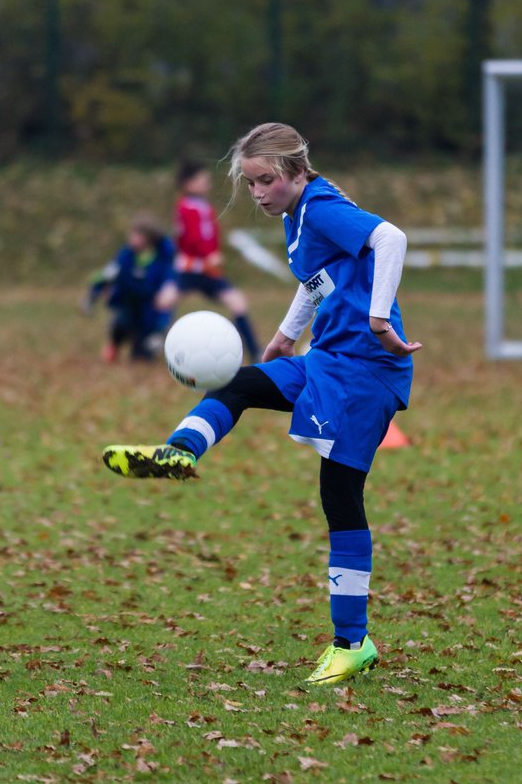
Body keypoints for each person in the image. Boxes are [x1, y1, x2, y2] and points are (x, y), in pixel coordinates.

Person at [101, 123, 422, 685]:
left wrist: (377, 318)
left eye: (266, 180)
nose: (258, 193)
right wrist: (283, 336)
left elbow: (389, 239)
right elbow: (316, 280)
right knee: (241, 384)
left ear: (298, 171)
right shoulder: (299, 215)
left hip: (367, 372)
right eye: (250, 184)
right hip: (330, 361)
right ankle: (179, 452)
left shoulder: (320, 207)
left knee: (340, 496)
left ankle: (353, 642)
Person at [171, 160, 261, 362]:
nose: (207, 184)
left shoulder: (205, 207)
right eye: (202, 180)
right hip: (190, 269)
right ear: (188, 183)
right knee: (163, 302)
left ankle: (255, 351)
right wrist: (206, 256)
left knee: (238, 303)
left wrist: (214, 255)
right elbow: (191, 238)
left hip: (209, 271)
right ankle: (149, 346)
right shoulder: (185, 207)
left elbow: (210, 236)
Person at [83, 217, 179, 363]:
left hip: (149, 310)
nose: (131, 238)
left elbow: (170, 278)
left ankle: (155, 340)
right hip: (127, 304)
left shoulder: (164, 256)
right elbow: (107, 275)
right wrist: (93, 295)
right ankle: (113, 345)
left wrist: (169, 290)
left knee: (141, 358)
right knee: (120, 324)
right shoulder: (125, 255)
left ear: (148, 238)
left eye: (136, 235)